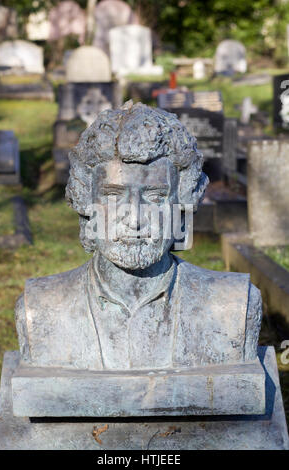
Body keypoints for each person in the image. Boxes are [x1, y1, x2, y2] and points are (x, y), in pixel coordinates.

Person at [15, 101, 262, 370]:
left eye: (156, 197)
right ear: (86, 202)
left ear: (181, 207)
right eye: (113, 196)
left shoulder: (234, 307)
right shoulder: (39, 310)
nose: (134, 219)